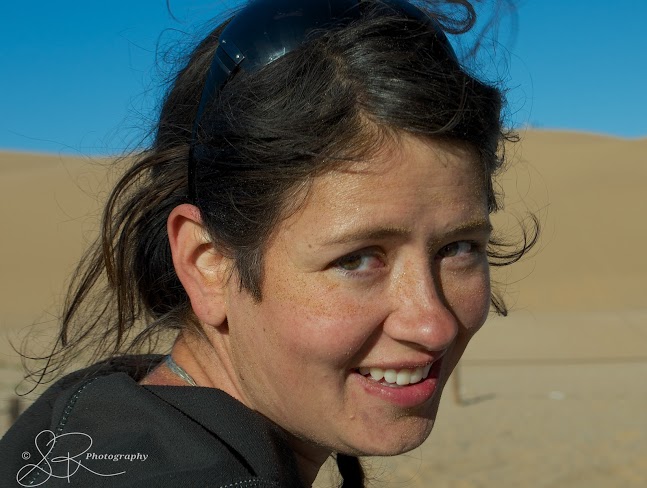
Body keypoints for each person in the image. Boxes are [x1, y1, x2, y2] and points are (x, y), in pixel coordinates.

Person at [1, 0, 537, 486]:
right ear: (207, 263)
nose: (433, 323)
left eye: (460, 248)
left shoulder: (92, 424)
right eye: (357, 258)